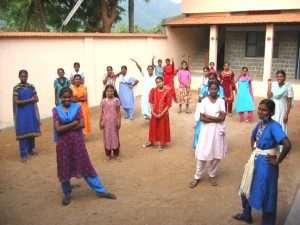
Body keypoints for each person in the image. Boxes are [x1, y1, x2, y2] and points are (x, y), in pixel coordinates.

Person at [53, 87, 117, 206]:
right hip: (63, 146)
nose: (67, 99)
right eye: (64, 97)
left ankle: (101, 191)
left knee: (86, 166)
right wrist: (73, 123)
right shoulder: (56, 110)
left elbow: (82, 124)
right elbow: (58, 129)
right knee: (64, 168)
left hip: (77, 144)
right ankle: (67, 193)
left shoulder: (77, 107)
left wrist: (65, 126)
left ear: (72, 97)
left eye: (69, 97)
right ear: (60, 98)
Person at [233, 99, 292, 225]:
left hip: (267, 164)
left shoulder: (274, 126)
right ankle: (246, 214)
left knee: (267, 193)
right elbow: (253, 136)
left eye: (264, 110)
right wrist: (254, 149)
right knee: (247, 186)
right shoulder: (260, 124)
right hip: (255, 161)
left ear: (271, 112)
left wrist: (277, 161)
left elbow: (287, 145)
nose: (260, 112)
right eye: (259, 109)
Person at [189, 81, 227, 188]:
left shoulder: (221, 101)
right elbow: (202, 118)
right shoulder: (204, 101)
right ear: (208, 90)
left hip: (218, 131)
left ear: (218, 90)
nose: (213, 91)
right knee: (202, 154)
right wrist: (216, 118)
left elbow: (223, 118)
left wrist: (209, 117)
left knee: (216, 153)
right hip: (206, 131)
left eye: (215, 89)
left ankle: (212, 175)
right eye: (212, 89)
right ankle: (197, 176)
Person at [13, 70, 41, 163]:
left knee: (31, 131)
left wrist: (27, 100)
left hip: (31, 112)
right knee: (23, 132)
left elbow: (36, 98)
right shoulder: (16, 88)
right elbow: (17, 102)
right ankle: (23, 155)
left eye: (25, 76)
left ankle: (30, 150)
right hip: (21, 114)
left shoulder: (31, 86)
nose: (23, 78)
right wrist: (30, 100)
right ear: (19, 77)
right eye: (22, 76)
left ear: (27, 76)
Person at [193, 73, 224, 150]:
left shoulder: (220, 88)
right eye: (209, 79)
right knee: (200, 129)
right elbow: (199, 99)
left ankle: (213, 147)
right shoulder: (205, 88)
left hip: (216, 112)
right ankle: (199, 146)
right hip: (205, 111)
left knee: (215, 131)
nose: (211, 80)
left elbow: (221, 99)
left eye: (213, 79)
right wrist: (206, 98)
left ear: (216, 79)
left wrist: (211, 97)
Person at [143, 77, 172, 151]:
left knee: (162, 128)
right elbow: (151, 102)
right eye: (157, 82)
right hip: (155, 113)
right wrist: (152, 111)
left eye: (160, 82)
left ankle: (161, 144)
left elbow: (168, 105)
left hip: (163, 113)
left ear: (163, 82)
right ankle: (152, 142)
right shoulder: (153, 90)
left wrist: (162, 114)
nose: (158, 83)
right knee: (153, 127)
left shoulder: (168, 91)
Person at [267, 70, 294, 152]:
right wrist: (269, 85)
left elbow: (289, 101)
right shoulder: (273, 85)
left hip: (282, 111)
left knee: (282, 128)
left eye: (281, 76)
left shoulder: (288, 87)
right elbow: (269, 96)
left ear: (284, 77)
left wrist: (286, 114)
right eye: (278, 76)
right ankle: (272, 145)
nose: (279, 78)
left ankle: (283, 148)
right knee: (272, 127)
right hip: (273, 111)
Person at [99, 85, 121, 162]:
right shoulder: (103, 101)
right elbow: (102, 112)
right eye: (108, 91)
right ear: (105, 92)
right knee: (107, 138)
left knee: (115, 137)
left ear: (114, 91)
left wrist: (119, 121)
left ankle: (116, 154)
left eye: (111, 91)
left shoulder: (116, 100)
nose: (110, 92)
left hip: (114, 123)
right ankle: (108, 155)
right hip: (106, 123)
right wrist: (100, 122)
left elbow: (118, 112)